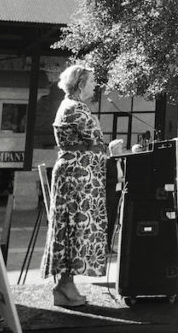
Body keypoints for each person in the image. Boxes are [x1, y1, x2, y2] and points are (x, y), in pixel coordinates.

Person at [41, 65, 107, 308]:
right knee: (75, 229)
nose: (94, 86)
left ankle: (64, 286)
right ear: (80, 85)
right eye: (90, 82)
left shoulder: (70, 106)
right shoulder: (76, 108)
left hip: (75, 173)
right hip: (77, 177)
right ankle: (65, 285)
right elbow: (96, 140)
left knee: (70, 228)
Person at [105, 138, 126, 253]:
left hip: (119, 196)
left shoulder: (123, 162)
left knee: (114, 222)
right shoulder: (107, 162)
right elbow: (104, 181)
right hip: (109, 197)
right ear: (113, 149)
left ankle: (109, 246)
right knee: (108, 221)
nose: (122, 150)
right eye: (119, 148)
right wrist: (117, 180)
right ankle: (105, 246)